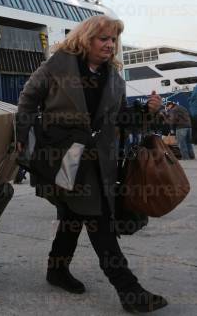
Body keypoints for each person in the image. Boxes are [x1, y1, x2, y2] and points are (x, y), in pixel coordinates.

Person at [16, 16, 168, 313]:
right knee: (98, 221)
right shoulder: (56, 67)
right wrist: (22, 135)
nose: (110, 45)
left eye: (113, 40)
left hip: (99, 160)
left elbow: (120, 120)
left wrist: (145, 112)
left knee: (74, 216)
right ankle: (129, 290)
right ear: (87, 39)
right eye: (103, 39)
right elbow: (28, 99)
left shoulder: (114, 78)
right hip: (65, 155)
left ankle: (56, 270)